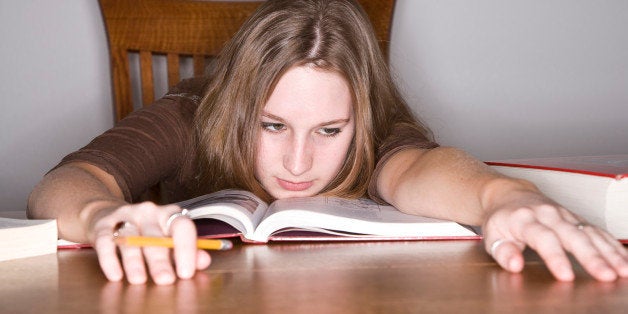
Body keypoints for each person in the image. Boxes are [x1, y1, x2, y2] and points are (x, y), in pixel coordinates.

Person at [28, 0, 627, 285]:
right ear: (239, 108)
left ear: (358, 120)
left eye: (329, 132)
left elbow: (421, 169)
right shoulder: (190, 112)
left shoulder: (378, 130)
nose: (297, 163)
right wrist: (103, 215)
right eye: (271, 125)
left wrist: (504, 197)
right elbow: (66, 183)